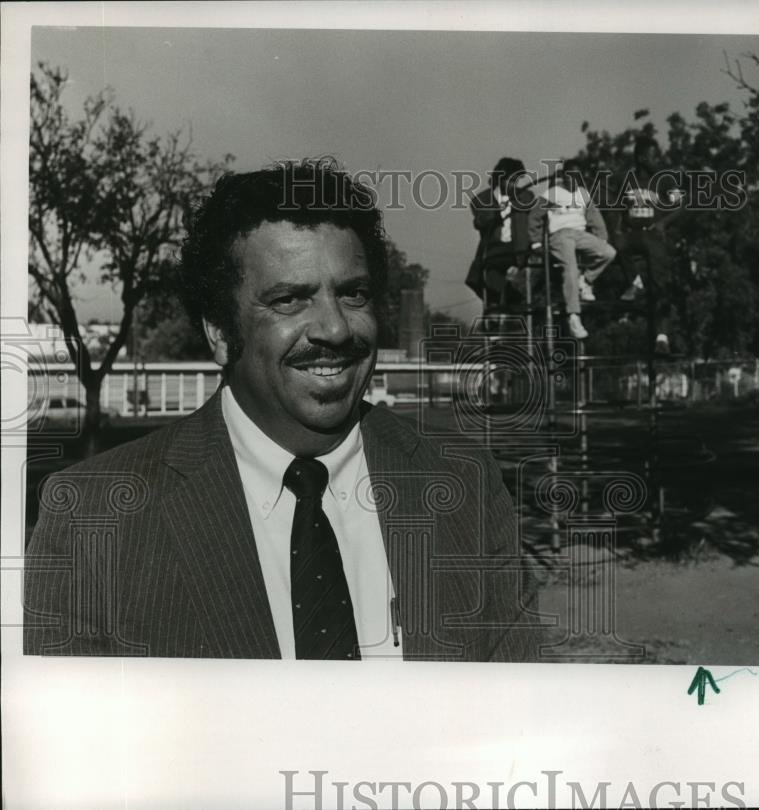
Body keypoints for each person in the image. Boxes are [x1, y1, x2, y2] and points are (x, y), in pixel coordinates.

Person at [24, 158, 541, 662]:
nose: (336, 329)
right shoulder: (93, 517)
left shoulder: (465, 485)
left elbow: (518, 723)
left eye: (353, 294)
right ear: (221, 334)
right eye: (291, 299)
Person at [531, 159, 616, 340]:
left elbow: (595, 220)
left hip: (580, 234)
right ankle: (573, 316)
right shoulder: (553, 194)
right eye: (569, 176)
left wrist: (601, 240)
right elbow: (534, 217)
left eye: (576, 177)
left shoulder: (584, 194)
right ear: (564, 176)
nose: (573, 180)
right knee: (570, 268)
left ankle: (585, 280)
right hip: (560, 235)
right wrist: (536, 242)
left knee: (609, 252)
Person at [616, 135, 685, 354]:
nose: (658, 161)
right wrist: (618, 229)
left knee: (660, 289)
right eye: (654, 157)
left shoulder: (664, 180)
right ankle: (635, 283)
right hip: (633, 234)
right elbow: (620, 208)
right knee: (617, 247)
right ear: (642, 158)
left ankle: (662, 338)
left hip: (653, 234)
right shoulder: (628, 179)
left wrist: (663, 223)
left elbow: (681, 205)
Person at [465, 157, 537, 308]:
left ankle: (509, 303)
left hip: (518, 248)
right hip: (494, 249)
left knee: (526, 277)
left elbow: (535, 211)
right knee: (487, 279)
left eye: (516, 181)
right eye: (510, 180)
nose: (513, 184)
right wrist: (498, 211)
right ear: (500, 178)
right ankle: (504, 302)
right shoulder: (483, 199)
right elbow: (479, 222)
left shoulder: (525, 196)